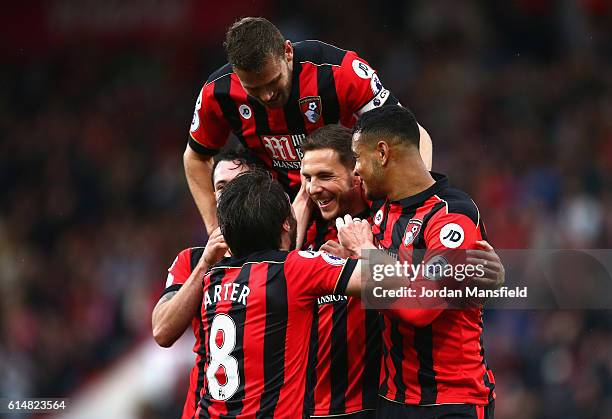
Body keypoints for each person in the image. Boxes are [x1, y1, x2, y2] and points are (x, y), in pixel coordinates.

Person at [184, 17, 433, 235]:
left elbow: (412, 135)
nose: (267, 96)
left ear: (288, 52)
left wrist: (415, 204)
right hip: (283, 221)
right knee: (253, 278)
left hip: (356, 210)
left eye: (273, 82)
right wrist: (215, 229)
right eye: (254, 89)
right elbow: (195, 158)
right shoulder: (217, 92)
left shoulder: (339, 72)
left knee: (384, 279)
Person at [346, 105, 497, 418]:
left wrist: (366, 252)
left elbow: (419, 309)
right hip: (392, 399)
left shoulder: (452, 217)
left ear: (382, 153)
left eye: (358, 157)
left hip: (450, 402)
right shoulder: (383, 210)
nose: (356, 169)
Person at [193, 169, 375, 418]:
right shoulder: (293, 268)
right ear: (286, 223)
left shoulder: (214, 277)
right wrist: (364, 247)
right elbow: (392, 283)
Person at [151, 150, 259, 419]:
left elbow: (383, 287)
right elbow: (162, 331)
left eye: (238, 184)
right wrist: (204, 265)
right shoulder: (192, 260)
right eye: (221, 187)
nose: (229, 194)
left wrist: (364, 250)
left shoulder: (290, 259)